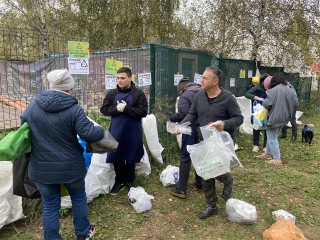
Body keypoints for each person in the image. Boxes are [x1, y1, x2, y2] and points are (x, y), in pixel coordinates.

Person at [21, 69, 104, 240]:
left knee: (50, 205)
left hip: (41, 168)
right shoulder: (74, 109)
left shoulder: (33, 106)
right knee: (79, 198)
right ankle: (83, 233)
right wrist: (100, 130)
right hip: (70, 167)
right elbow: (88, 134)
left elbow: (24, 128)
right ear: (69, 88)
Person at [175, 66, 243, 219]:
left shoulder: (228, 98)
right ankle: (212, 206)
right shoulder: (199, 96)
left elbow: (239, 118)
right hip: (204, 141)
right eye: (202, 77)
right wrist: (181, 126)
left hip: (222, 143)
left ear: (215, 81)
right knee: (207, 173)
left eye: (205, 78)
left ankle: (228, 180)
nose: (201, 80)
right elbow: (192, 115)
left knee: (217, 170)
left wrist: (224, 124)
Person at [100, 67, 148, 195]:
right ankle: (119, 181)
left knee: (131, 154)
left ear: (130, 78)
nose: (119, 80)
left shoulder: (138, 94)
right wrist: (117, 109)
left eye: (122, 78)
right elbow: (104, 110)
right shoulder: (111, 93)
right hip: (116, 130)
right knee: (117, 154)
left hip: (133, 130)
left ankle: (130, 181)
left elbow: (143, 112)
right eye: (117, 78)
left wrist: (126, 109)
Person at [169, 77, 202, 199]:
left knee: (185, 157)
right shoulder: (200, 92)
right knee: (199, 155)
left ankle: (181, 188)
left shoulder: (185, 96)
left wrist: (172, 118)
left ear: (181, 89)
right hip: (203, 128)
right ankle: (200, 183)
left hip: (190, 129)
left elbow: (184, 114)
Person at [258, 72, 298, 165]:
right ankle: (268, 153)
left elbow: (267, 104)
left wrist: (265, 100)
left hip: (275, 117)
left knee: (272, 137)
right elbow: (296, 103)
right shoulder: (291, 90)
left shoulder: (272, 91)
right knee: (272, 135)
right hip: (285, 117)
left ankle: (276, 158)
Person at [244, 73, 269, 152]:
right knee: (256, 125)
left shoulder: (272, 87)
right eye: (263, 82)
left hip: (268, 109)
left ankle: (266, 145)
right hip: (258, 109)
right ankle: (256, 144)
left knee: (267, 127)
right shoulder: (258, 87)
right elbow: (247, 94)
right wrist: (257, 97)